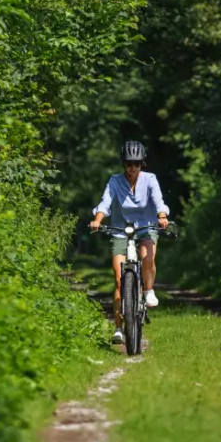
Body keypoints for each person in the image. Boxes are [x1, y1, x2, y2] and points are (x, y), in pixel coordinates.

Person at [90, 140, 170, 344]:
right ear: (123, 163)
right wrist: (97, 221)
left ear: (142, 163)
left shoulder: (150, 179)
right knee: (118, 278)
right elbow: (105, 202)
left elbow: (158, 200)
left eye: (136, 163)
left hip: (146, 227)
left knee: (147, 258)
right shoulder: (115, 181)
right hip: (120, 230)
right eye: (128, 163)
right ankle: (118, 328)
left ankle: (149, 291)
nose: (132, 168)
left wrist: (162, 216)